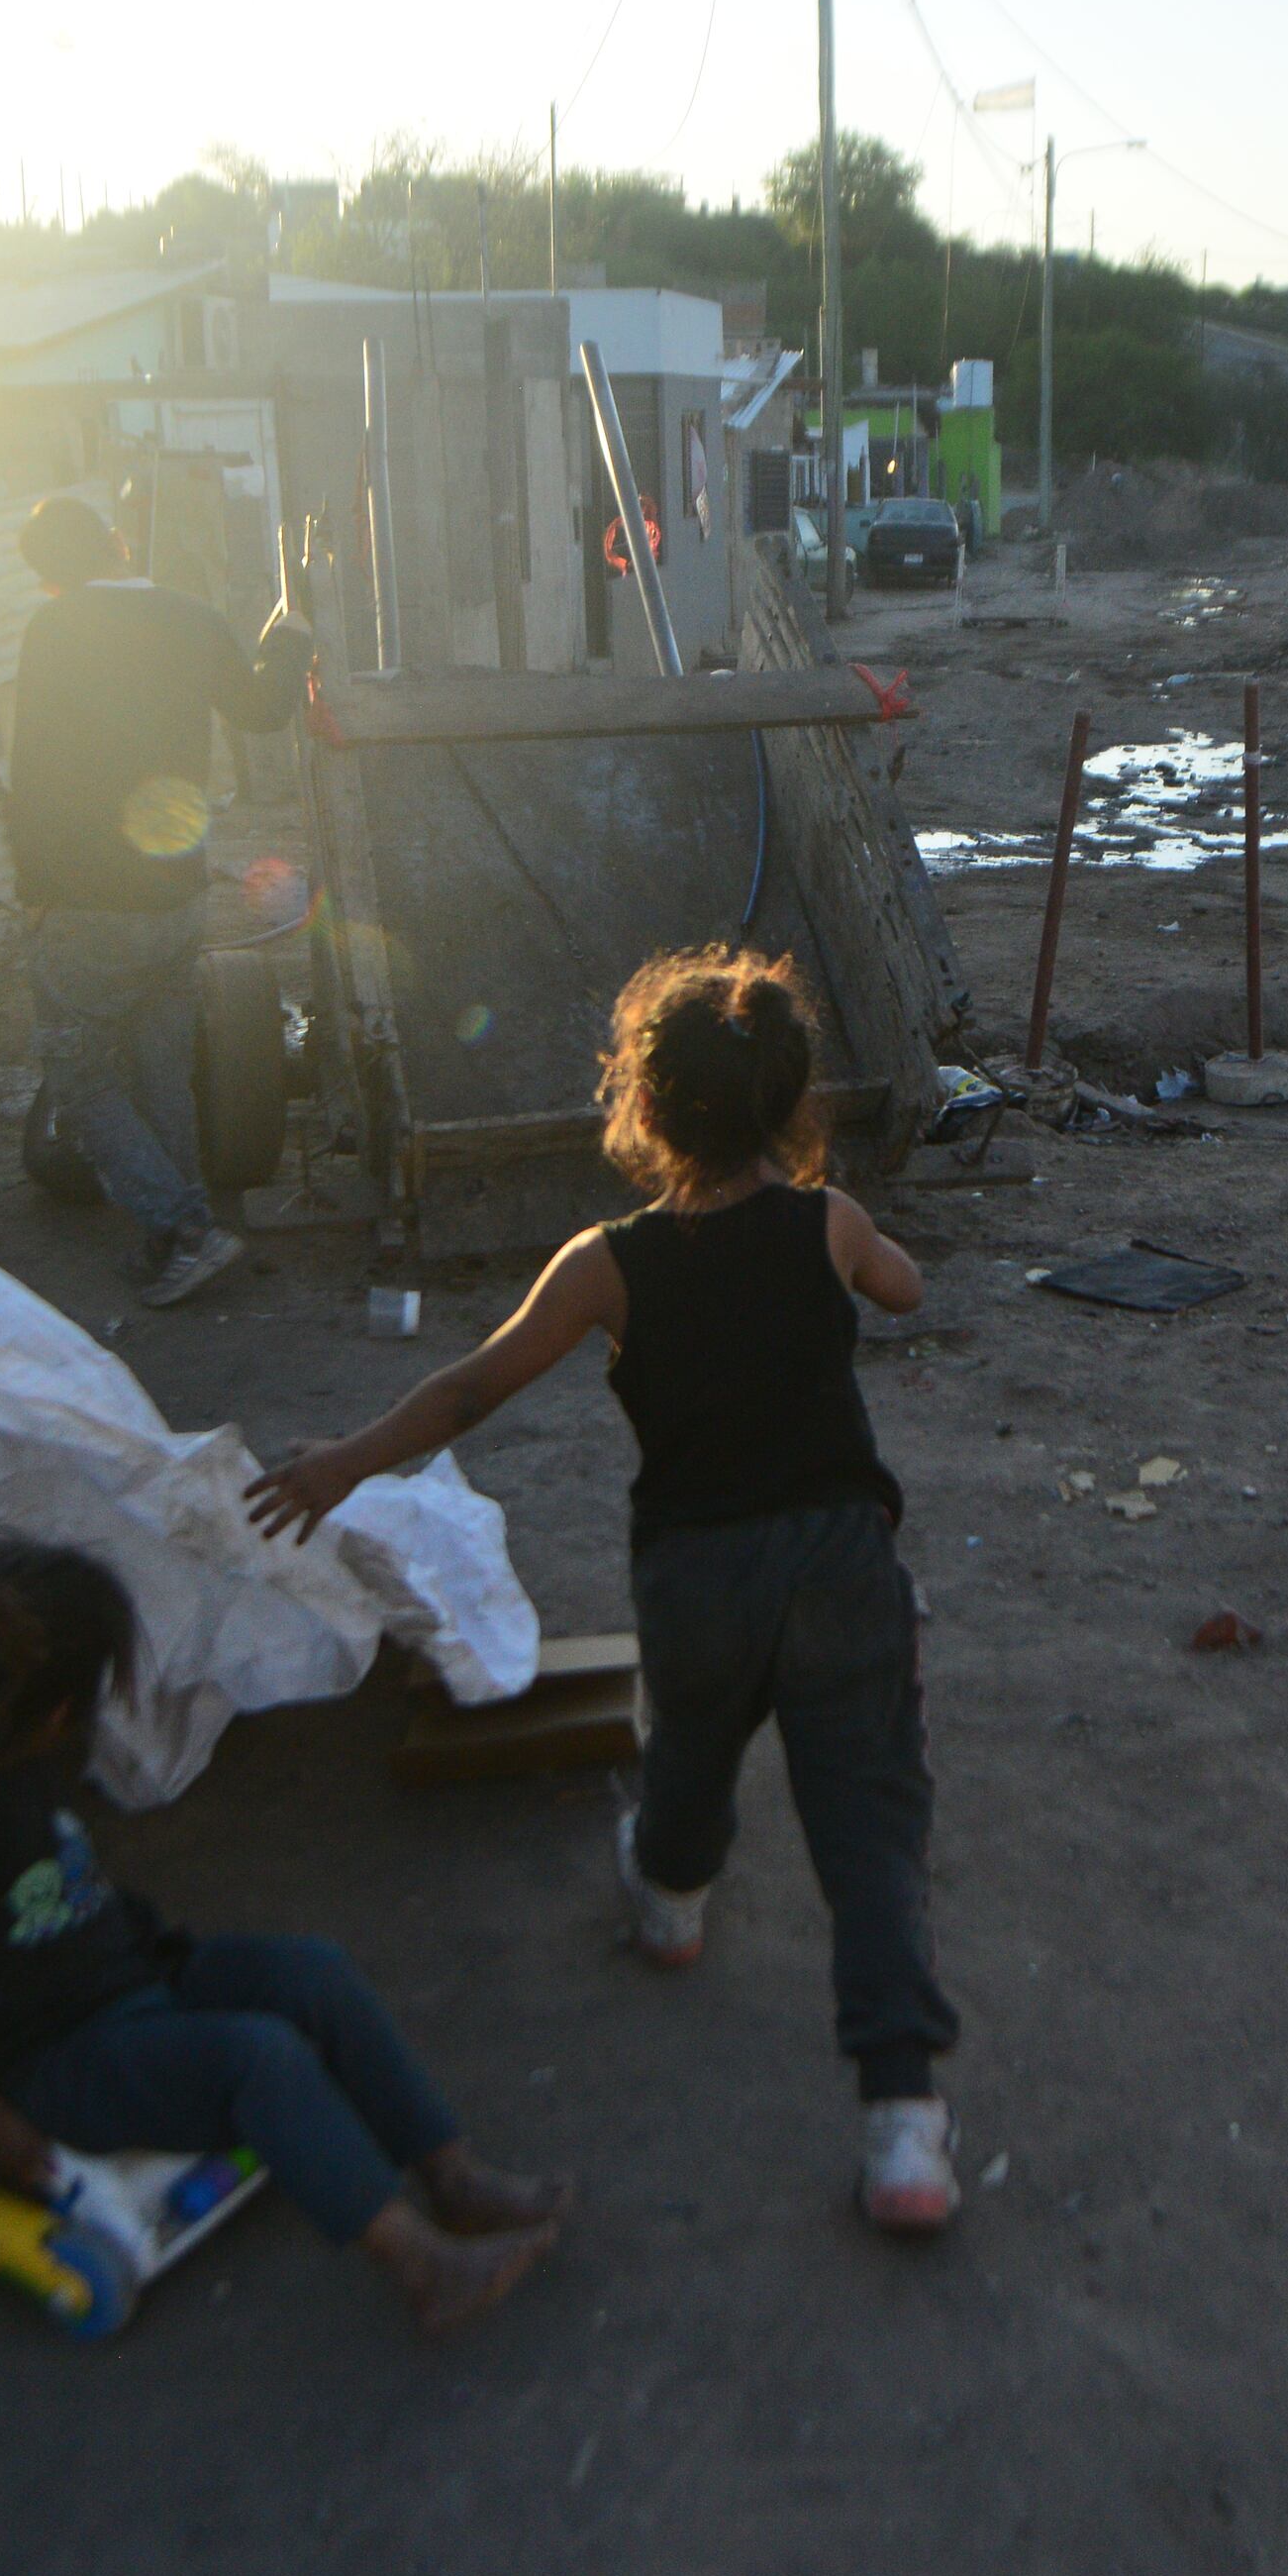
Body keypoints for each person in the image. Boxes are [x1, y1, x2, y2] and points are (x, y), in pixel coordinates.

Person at [240, 948, 966, 2235]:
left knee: (686, 1753)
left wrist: (339, 1465)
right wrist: (831, 1217)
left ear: (643, 1104)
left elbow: (468, 1385)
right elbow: (907, 1288)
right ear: (793, 1101)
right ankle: (906, 2132)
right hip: (842, 1558)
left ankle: (672, 1902)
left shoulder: (605, 1260)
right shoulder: (829, 1224)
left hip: (698, 1570)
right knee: (870, 1829)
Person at [0, 1535, 568, 2339]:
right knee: (257, 2056)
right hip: (61, 2058)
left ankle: (451, 2173)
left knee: (313, 1972)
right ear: (54, 1709)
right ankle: (418, 2263)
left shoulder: (4, 1750)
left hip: (130, 1977)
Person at [3, 495, 314, 1310]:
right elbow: (264, 708)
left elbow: (30, 776)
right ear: (118, 542)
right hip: (175, 892)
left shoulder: (52, 631)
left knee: (81, 1081)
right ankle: (178, 1231)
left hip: (85, 901)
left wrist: (33, 893)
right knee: (160, 1071)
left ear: (45, 577)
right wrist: (291, 633)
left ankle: (184, 1230)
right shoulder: (194, 619)